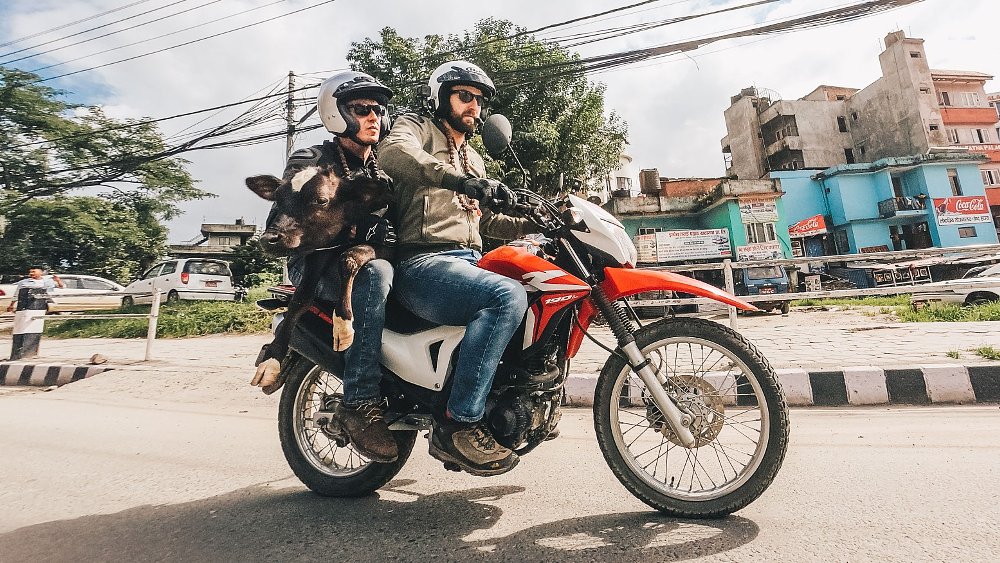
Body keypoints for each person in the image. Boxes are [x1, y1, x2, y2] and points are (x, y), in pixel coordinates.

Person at [379, 60, 535, 476]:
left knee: (533, 290)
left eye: (479, 101)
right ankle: (457, 425)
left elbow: (483, 223)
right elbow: (394, 154)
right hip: (422, 263)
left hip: (468, 261)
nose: (474, 107)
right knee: (506, 296)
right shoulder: (416, 129)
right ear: (440, 97)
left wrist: (538, 217)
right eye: (464, 96)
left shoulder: (476, 161)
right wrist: (458, 179)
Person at [278, 71, 399, 463]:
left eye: (378, 110)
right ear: (335, 114)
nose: (373, 117)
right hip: (314, 266)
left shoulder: (381, 169)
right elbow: (291, 209)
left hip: (357, 263)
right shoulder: (312, 160)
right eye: (361, 109)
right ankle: (359, 402)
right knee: (375, 275)